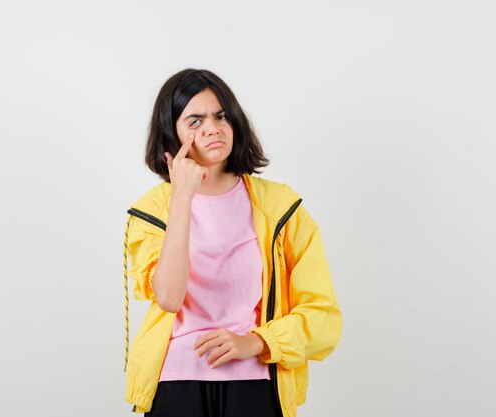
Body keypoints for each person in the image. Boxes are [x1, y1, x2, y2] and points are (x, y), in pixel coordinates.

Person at [122, 68, 342, 417]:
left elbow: (323, 315)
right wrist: (181, 198)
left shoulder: (281, 208)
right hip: (175, 383)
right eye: (194, 121)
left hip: (255, 381)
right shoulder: (151, 212)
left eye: (220, 115)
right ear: (171, 135)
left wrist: (256, 342)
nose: (212, 127)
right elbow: (168, 297)